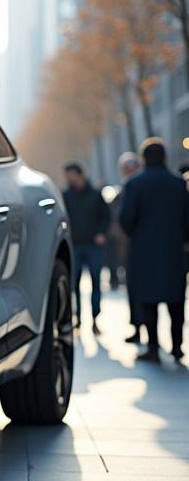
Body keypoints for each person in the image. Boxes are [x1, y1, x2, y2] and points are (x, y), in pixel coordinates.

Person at [120, 138, 189, 363]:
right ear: (165, 157)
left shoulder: (134, 185)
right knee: (176, 300)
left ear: (143, 159)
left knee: (148, 300)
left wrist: (137, 235)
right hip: (174, 250)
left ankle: (152, 347)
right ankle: (177, 346)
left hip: (143, 251)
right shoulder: (179, 184)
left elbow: (126, 218)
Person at [62, 162, 111, 333]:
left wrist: (101, 233)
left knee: (96, 283)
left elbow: (106, 217)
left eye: (71, 175)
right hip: (74, 245)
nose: (69, 179)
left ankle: (95, 319)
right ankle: (78, 319)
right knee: (74, 285)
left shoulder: (96, 195)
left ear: (80, 175)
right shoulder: (65, 196)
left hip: (93, 245)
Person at [114, 152, 144, 343]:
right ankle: (137, 327)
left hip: (138, 245)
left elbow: (125, 219)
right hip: (129, 248)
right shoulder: (122, 190)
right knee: (133, 289)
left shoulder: (134, 187)